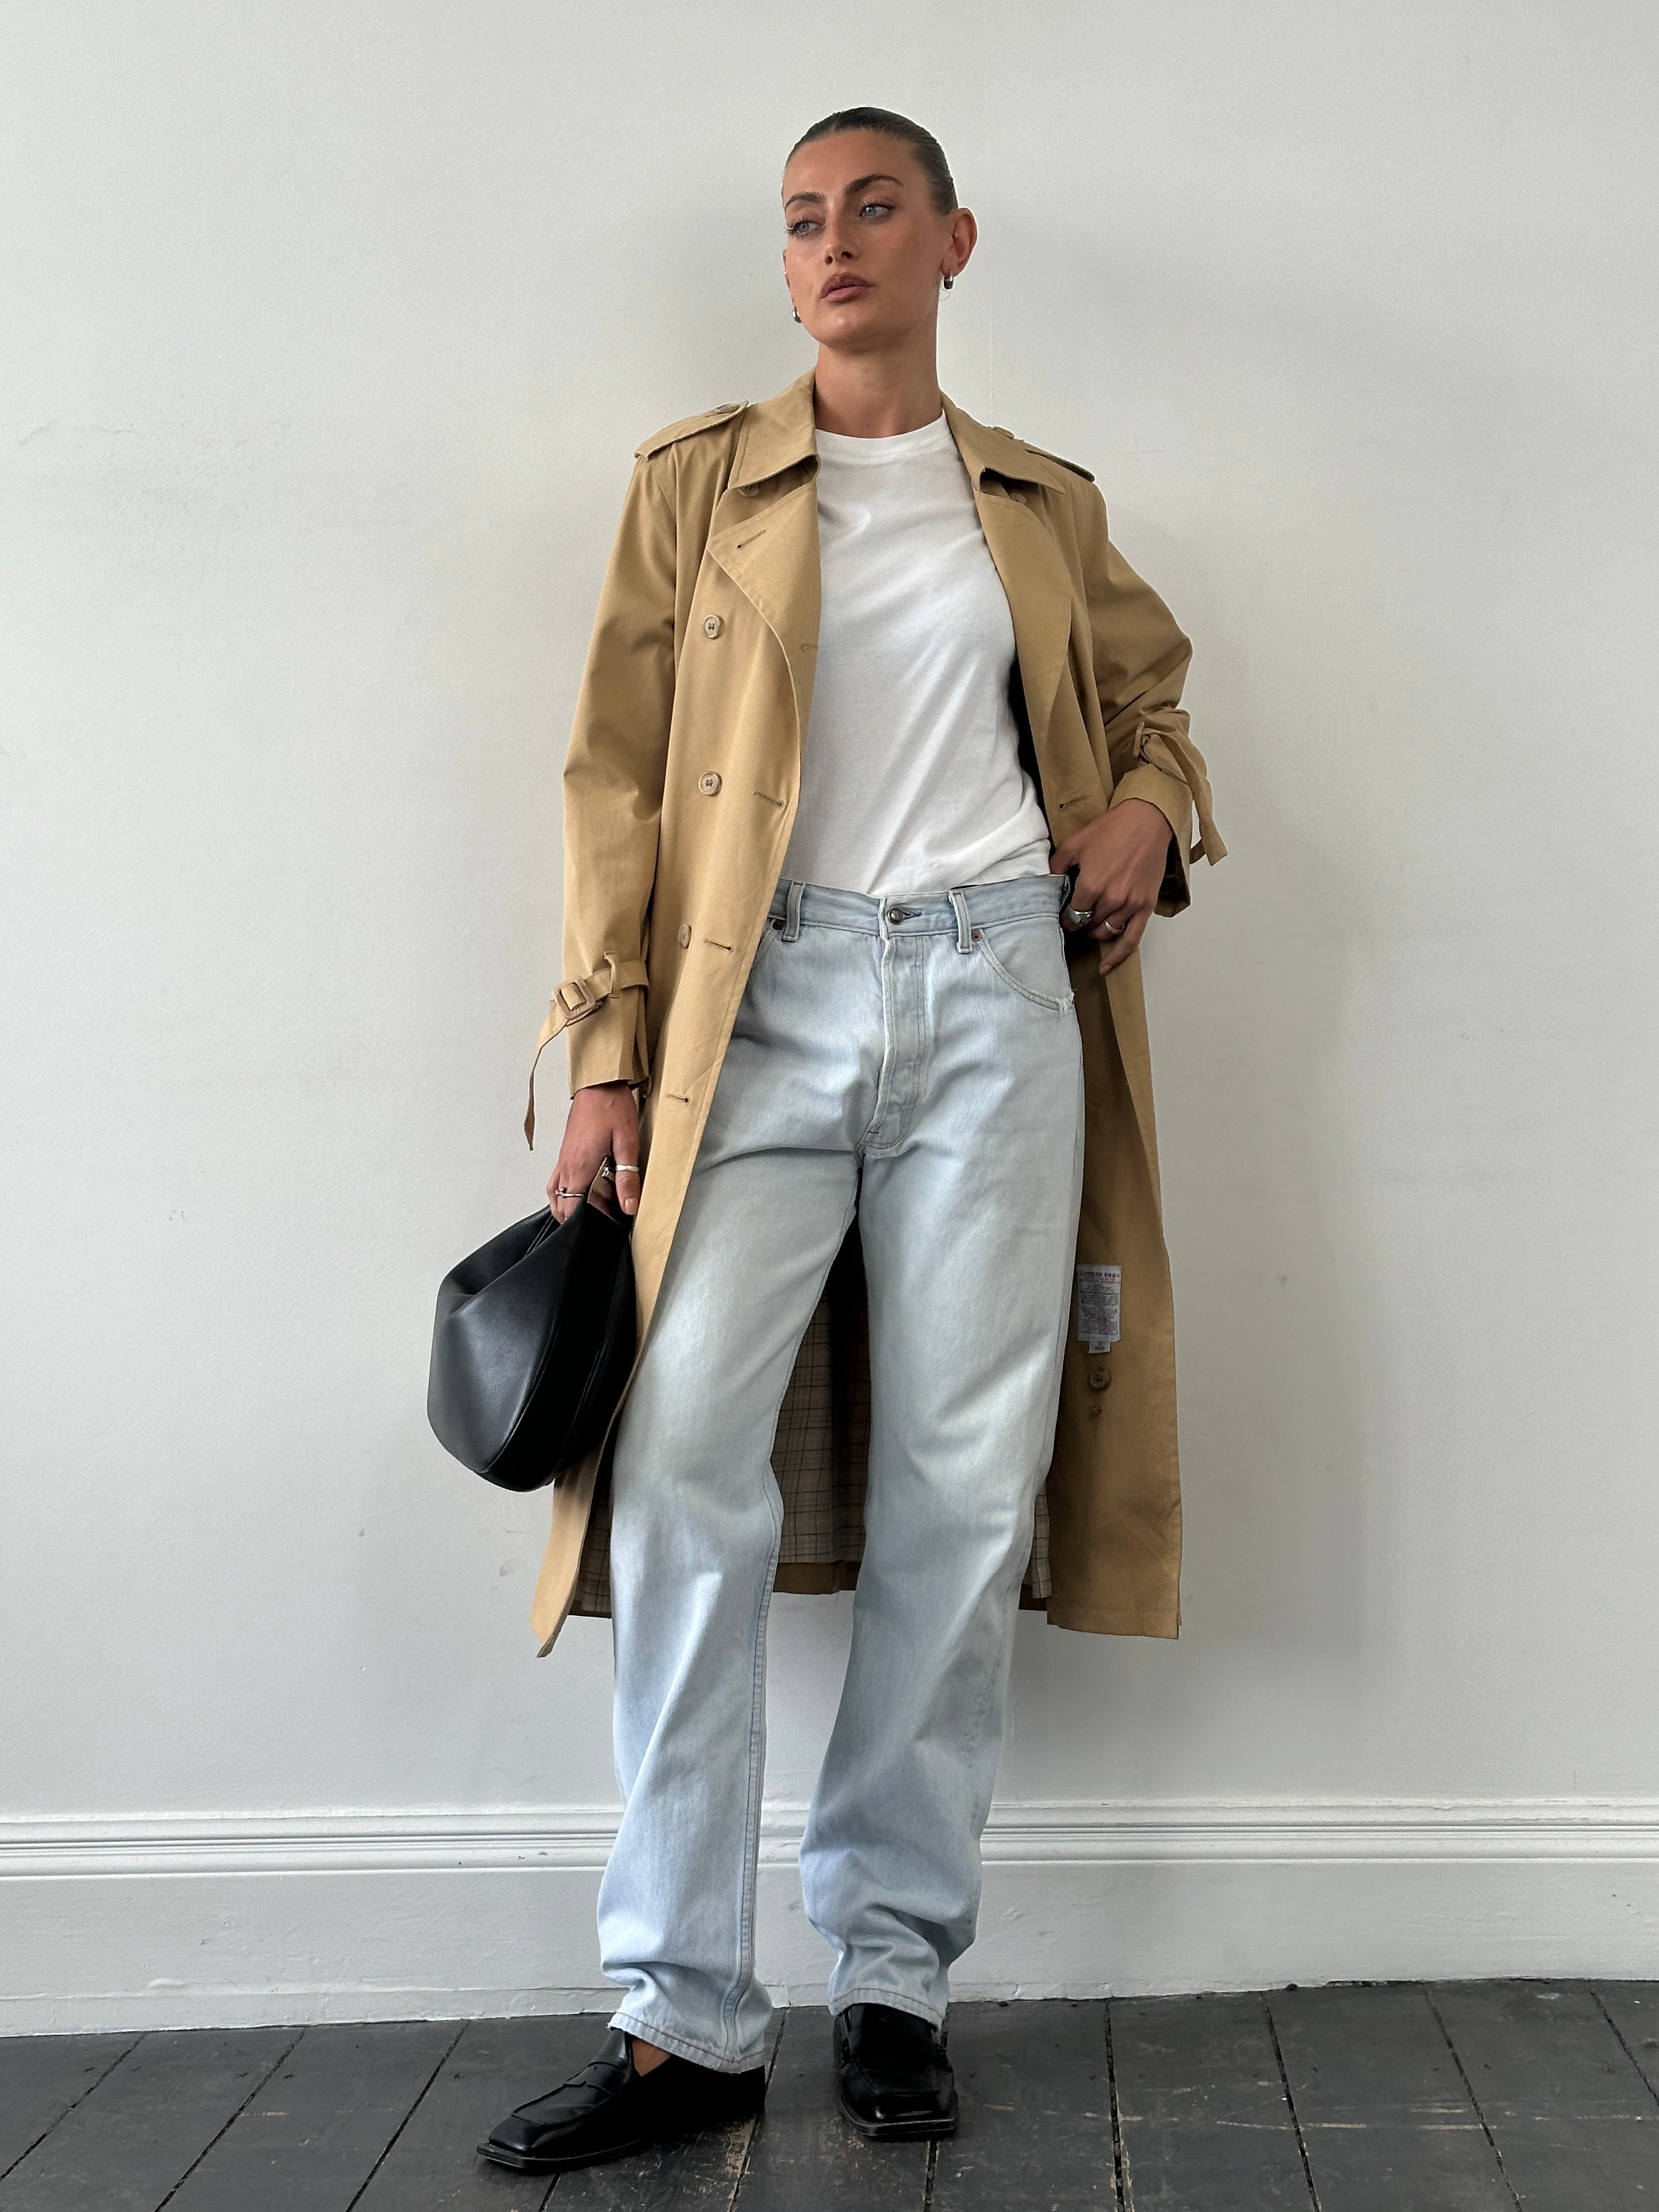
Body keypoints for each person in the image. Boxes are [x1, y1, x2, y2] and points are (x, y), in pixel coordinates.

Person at [478, 105, 1224, 2178]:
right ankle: (682, 2017)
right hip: (763, 1006)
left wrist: (1147, 812)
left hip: (993, 997)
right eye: (804, 217)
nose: (835, 243)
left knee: (963, 1493)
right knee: (678, 1469)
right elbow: (614, 778)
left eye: (875, 207)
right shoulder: (698, 484)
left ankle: (894, 1977)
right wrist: (605, 1052)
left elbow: (1160, 709)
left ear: (954, 240)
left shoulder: (1043, 506)